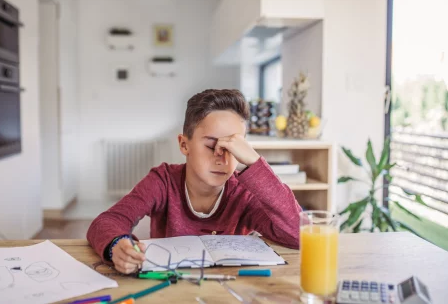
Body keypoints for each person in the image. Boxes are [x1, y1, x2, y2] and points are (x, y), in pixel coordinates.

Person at [87, 89, 302, 274]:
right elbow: (106, 222)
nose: (223, 159)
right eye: (211, 146)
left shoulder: (243, 192)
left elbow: (300, 235)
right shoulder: (163, 181)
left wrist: (255, 163)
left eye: (233, 148)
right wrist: (117, 245)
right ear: (184, 145)